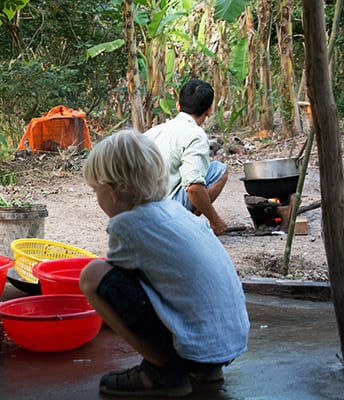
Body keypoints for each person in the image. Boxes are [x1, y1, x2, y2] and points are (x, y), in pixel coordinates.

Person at [79, 129, 249, 397]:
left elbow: (119, 284)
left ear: (112, 191)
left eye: (94, 190)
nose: (96, 197)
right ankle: (205, 372)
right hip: (227, 345)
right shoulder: (176, 211)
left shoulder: (127, 224)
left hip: (196, 351)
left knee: (93, 276)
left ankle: (162, 372)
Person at [144, 78, 228, 235]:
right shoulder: (195, 135)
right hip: (164, 213)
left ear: (178, 106)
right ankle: (181, 228)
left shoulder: (153, 132)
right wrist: (216, 221)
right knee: (219, 169)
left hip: (139, 213)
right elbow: (194, 188)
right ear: (209, 110)